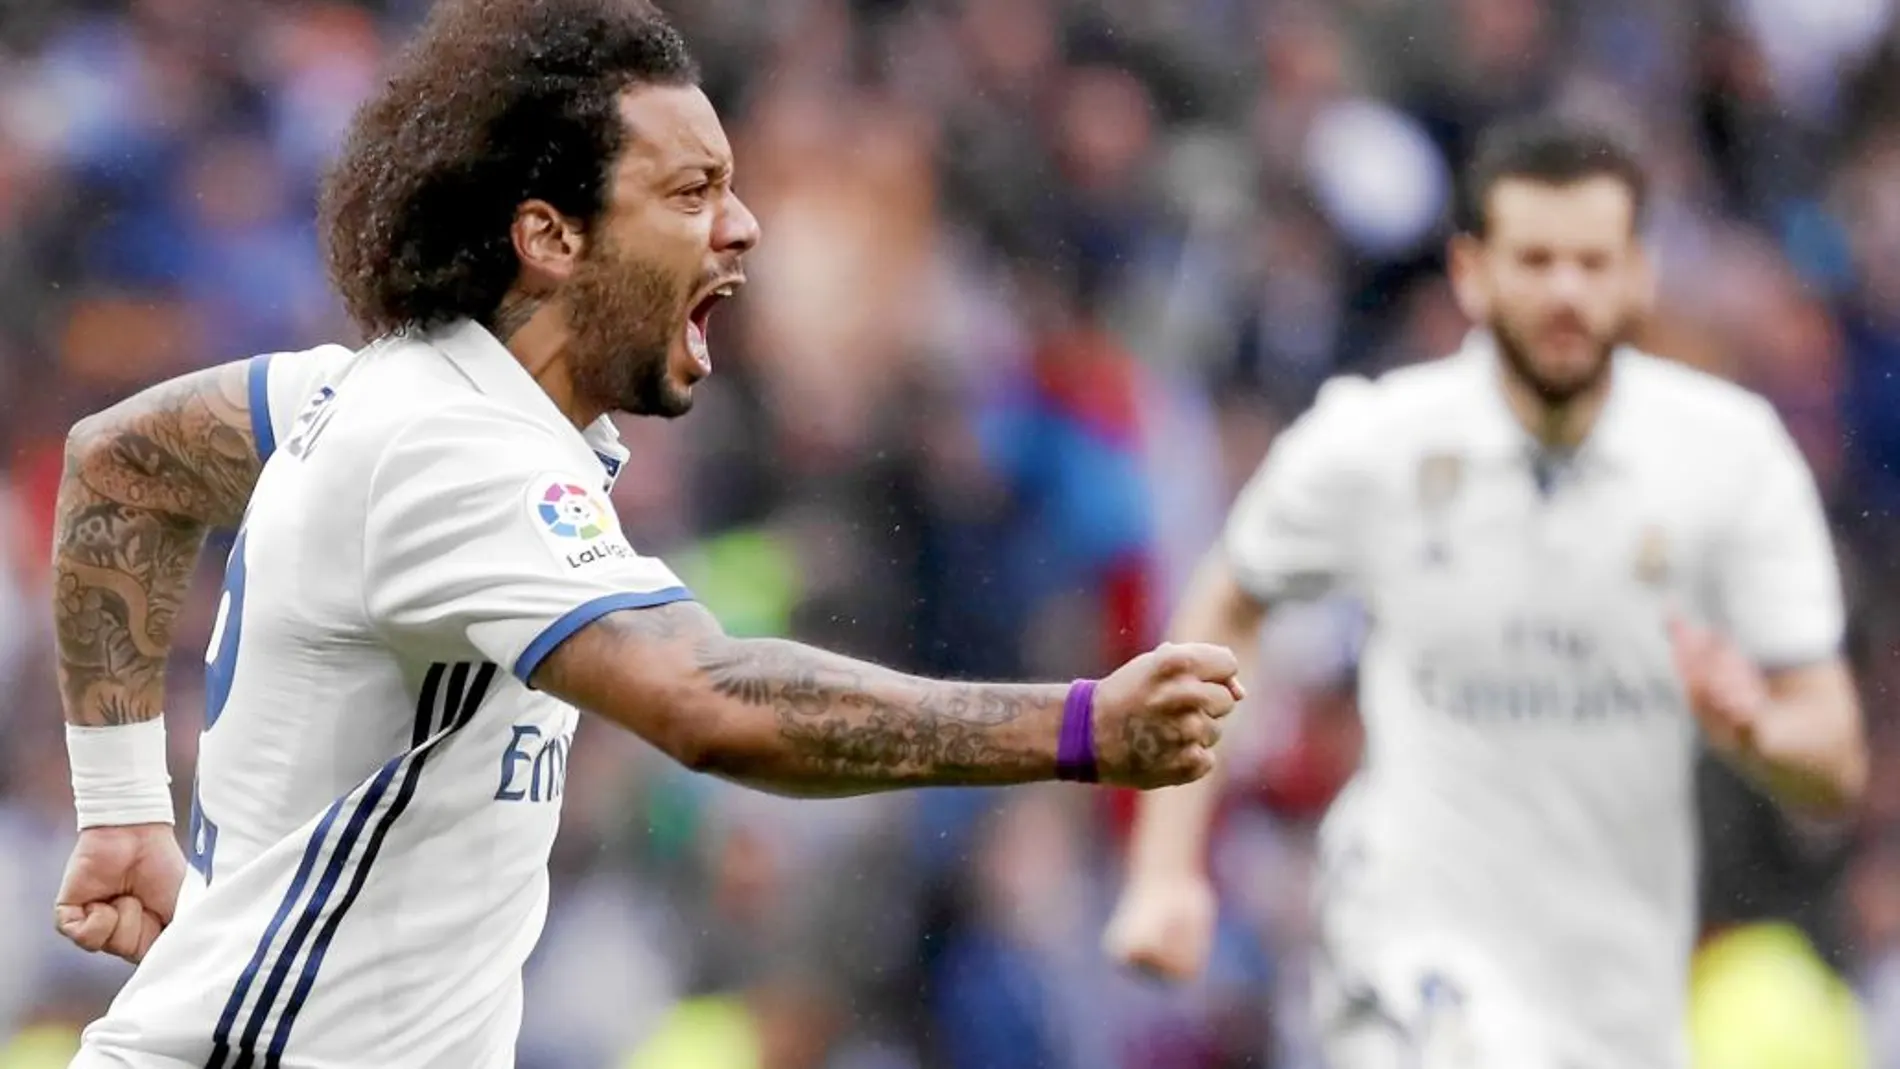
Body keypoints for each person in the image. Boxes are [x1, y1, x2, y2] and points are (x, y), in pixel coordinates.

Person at [48, 3, 1244, 1067]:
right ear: (549, 236)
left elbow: (123, 461)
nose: (745, 226)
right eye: (689, 192)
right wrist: (1080, 726)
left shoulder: (357, 396)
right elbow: (708, 699)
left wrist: (119, 812)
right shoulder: (453, 447)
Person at [1102, 118, 1868, 1068]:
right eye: (1534, 259)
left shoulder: (1730, 458)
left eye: (1592, 261)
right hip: (1413, 942)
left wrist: (1758, 729)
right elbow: (1225, 607)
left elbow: (1834, 754)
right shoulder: (1375, 441)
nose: (1564, 292)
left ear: (1639, 275)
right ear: (1472, 273)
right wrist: (1166, 869)